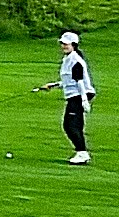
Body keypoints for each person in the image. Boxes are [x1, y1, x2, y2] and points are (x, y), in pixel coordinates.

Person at [32, 29, 96, 163]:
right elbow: (70, 80)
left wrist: (84, 100)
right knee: (74, 125)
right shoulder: (68, 59)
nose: (63, 46)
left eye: (66, 44)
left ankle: (82, 153)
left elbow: (79, 82)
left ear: (74, 45)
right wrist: (53, 85)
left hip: (79, 95)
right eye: (62, 44)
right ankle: (81, 152)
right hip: (75, 95)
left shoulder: (75, 60)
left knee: (70, 125)